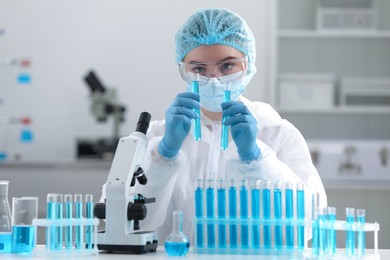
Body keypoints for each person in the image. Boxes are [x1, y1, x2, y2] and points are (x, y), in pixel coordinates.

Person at [103, 7, 327, 244]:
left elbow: (308, 223)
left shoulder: (277, 133)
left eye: (227, 66)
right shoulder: (157, 136)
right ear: (184, 70)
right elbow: (115, 220)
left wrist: (256, 158)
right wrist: (163, 155)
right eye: (199, 69)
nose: (213, 79)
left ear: (246, 65)